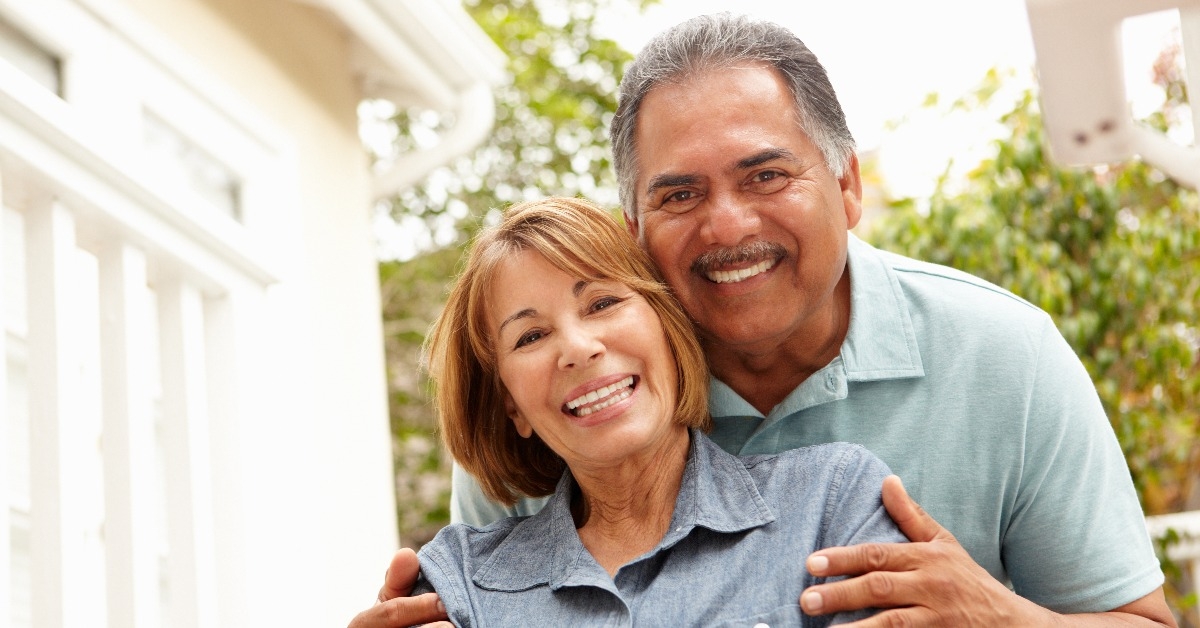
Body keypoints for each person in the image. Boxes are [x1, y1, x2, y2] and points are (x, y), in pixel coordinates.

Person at [352, 12, 1175, 628]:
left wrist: (1002, 618)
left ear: (848, 186)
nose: (728, 226)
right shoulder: (578, 402)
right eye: (678, 195)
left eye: (766, 175)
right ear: (634, 228)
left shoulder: (1004, 356)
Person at [400, 196, 906, 626]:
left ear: (666, 327)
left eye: (601, 303)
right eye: (530, 336)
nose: (578, 347)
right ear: (512, 406)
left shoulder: (834, 503)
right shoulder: (456, 581)